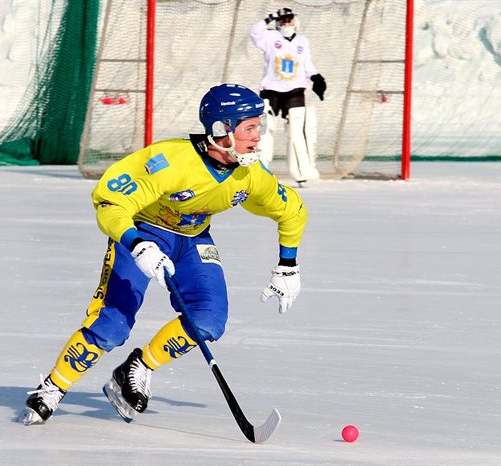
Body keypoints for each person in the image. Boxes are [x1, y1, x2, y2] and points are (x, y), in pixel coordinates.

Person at [19, 83, 308, 425]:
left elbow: (292, 210)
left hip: (193, 240)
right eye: (249, 128)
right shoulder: (169, 161)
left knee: (209, 320)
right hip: (142, 231)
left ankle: (138, 367)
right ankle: (52, 387)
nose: (257, 137)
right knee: (113, 323)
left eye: (258, 127)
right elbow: (110, 202)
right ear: (221, 131)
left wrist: (287, 266)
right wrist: (137, 244)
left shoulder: (249, 174)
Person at [249, 7, 326, 187]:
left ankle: (300, 173)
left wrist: (316, 77)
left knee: (296, 131)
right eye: (283, 20)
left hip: (295, 90)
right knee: (265, 129)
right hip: (271, 89)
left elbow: (307, 63)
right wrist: (271, 17)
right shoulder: (269, 37)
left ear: (295, 21)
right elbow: (253, 32)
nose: (286, 22)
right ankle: (261, 167)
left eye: (289, 19)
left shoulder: (302, 41)